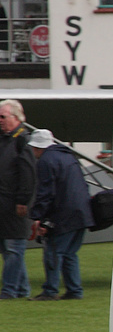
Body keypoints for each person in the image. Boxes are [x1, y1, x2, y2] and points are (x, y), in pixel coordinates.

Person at [28, 128, 93, 301]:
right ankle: (74, 290)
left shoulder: (46, 161)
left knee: (53, 252)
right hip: (82, 213)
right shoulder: (68, 157)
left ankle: (50, 291)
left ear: (37, 147)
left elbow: (46, 192)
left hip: (64, 214)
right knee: (70, 253)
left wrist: (38, 216)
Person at [0, 98, 36, 299]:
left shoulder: (23, 141)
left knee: (14, 248)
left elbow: (28, 174)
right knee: (9, 248)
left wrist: (23, 200)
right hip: (4, 204)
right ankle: (22, 289)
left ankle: (10, 290)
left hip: (15, 205)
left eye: (3, 116)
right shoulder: (6, 140)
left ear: (15, 117)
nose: (0, 120)